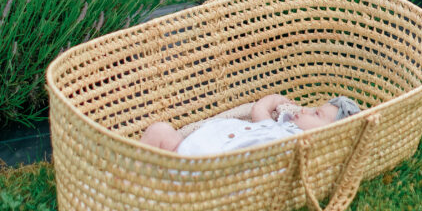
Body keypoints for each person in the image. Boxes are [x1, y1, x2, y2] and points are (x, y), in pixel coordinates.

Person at [140, 93, 361, 155]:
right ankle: (124, 175)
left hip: (208, 170)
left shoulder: (293, 146)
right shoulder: (280, 127)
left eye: (316, 114)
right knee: (159, 131)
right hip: (191, 147)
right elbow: (259, 110)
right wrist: (274, 100)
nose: (305, 110)